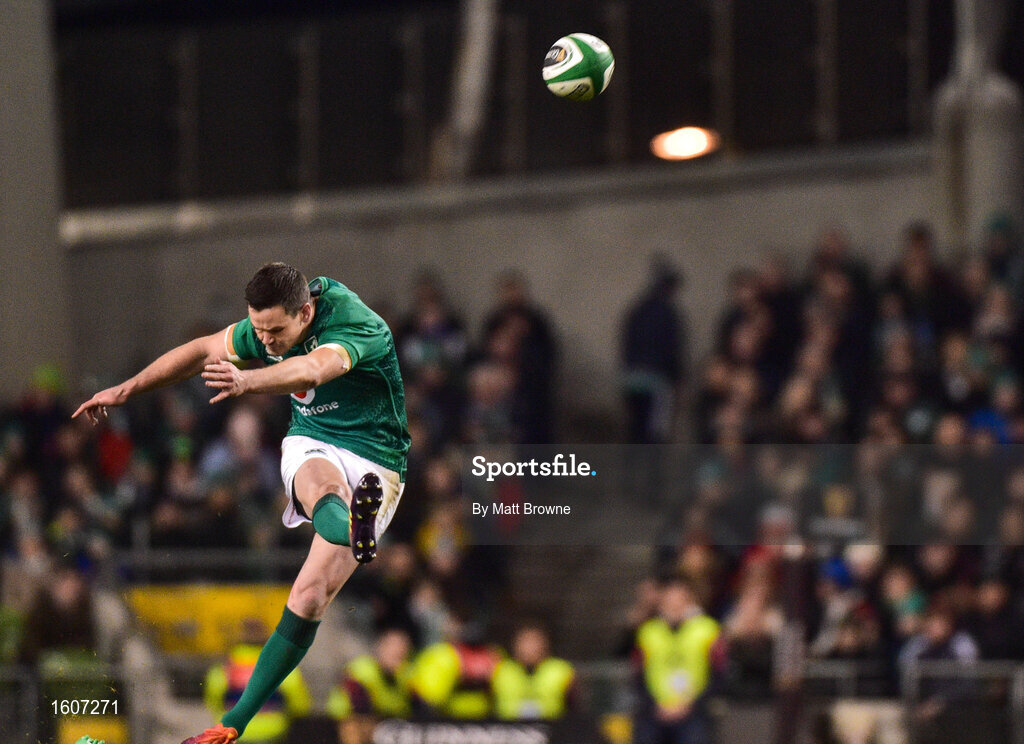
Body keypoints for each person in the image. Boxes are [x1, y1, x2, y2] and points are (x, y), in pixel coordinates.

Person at [73, 263, 411, 744]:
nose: (266, 341)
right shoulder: (270, 325)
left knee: (310, 597)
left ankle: (353, 525)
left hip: (378, 459)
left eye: (275, 332)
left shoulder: (355, 324)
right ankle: (232, 725)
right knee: (320, 489)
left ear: (305, 313)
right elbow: (202, 350)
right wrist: (127, 388)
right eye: (258, 330)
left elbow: (313, 368)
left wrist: (248, 382)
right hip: (315, 440)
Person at [633, 576, 724, 744]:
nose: (674, 605)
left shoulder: (708, 630)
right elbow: (638, 675)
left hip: (694, 710)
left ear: (689, 601)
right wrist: (655, 705)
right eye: (670, 600)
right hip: (656, 710)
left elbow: (719, 673)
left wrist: (693, 703)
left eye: (679, 600)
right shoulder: (648, 632)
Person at [203, 620, 311, 744]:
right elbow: (300, 706)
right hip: (272, 733)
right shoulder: (283, 668)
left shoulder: (224, 669)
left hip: (234, 733)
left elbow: (213, 702)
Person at [621, 257, 687, 444]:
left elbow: (626, 345)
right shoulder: (668, 313)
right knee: (655, 434)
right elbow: (673, 350)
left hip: (632, 379)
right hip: (658, 381)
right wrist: (678, 379)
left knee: (635, 430)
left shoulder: (637, 310)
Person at [327, 628, 415, 744]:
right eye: (393, 653)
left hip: (387, 723)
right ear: (381, 649)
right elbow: (360, 706)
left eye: (401, 655)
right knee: (358, 727)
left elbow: (419, 707)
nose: (397, 658)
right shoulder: (362, 669)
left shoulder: (405, 676)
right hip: (344, 722)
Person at [491, 622, 576, 721]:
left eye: (534, 642)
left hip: (553, 727)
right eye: (524, 642)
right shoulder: (500, 670)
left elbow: (574, 708)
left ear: (545, 645)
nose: (529, 647)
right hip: (506, 728)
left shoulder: (561, 670)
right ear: (515, 645)